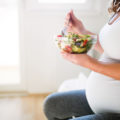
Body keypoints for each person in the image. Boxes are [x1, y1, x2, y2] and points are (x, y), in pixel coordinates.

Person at [43, 0, 120, 120]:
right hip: (100, 100)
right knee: (51, 105)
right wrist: (82, 32)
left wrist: (89, 63)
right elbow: (113, 49)